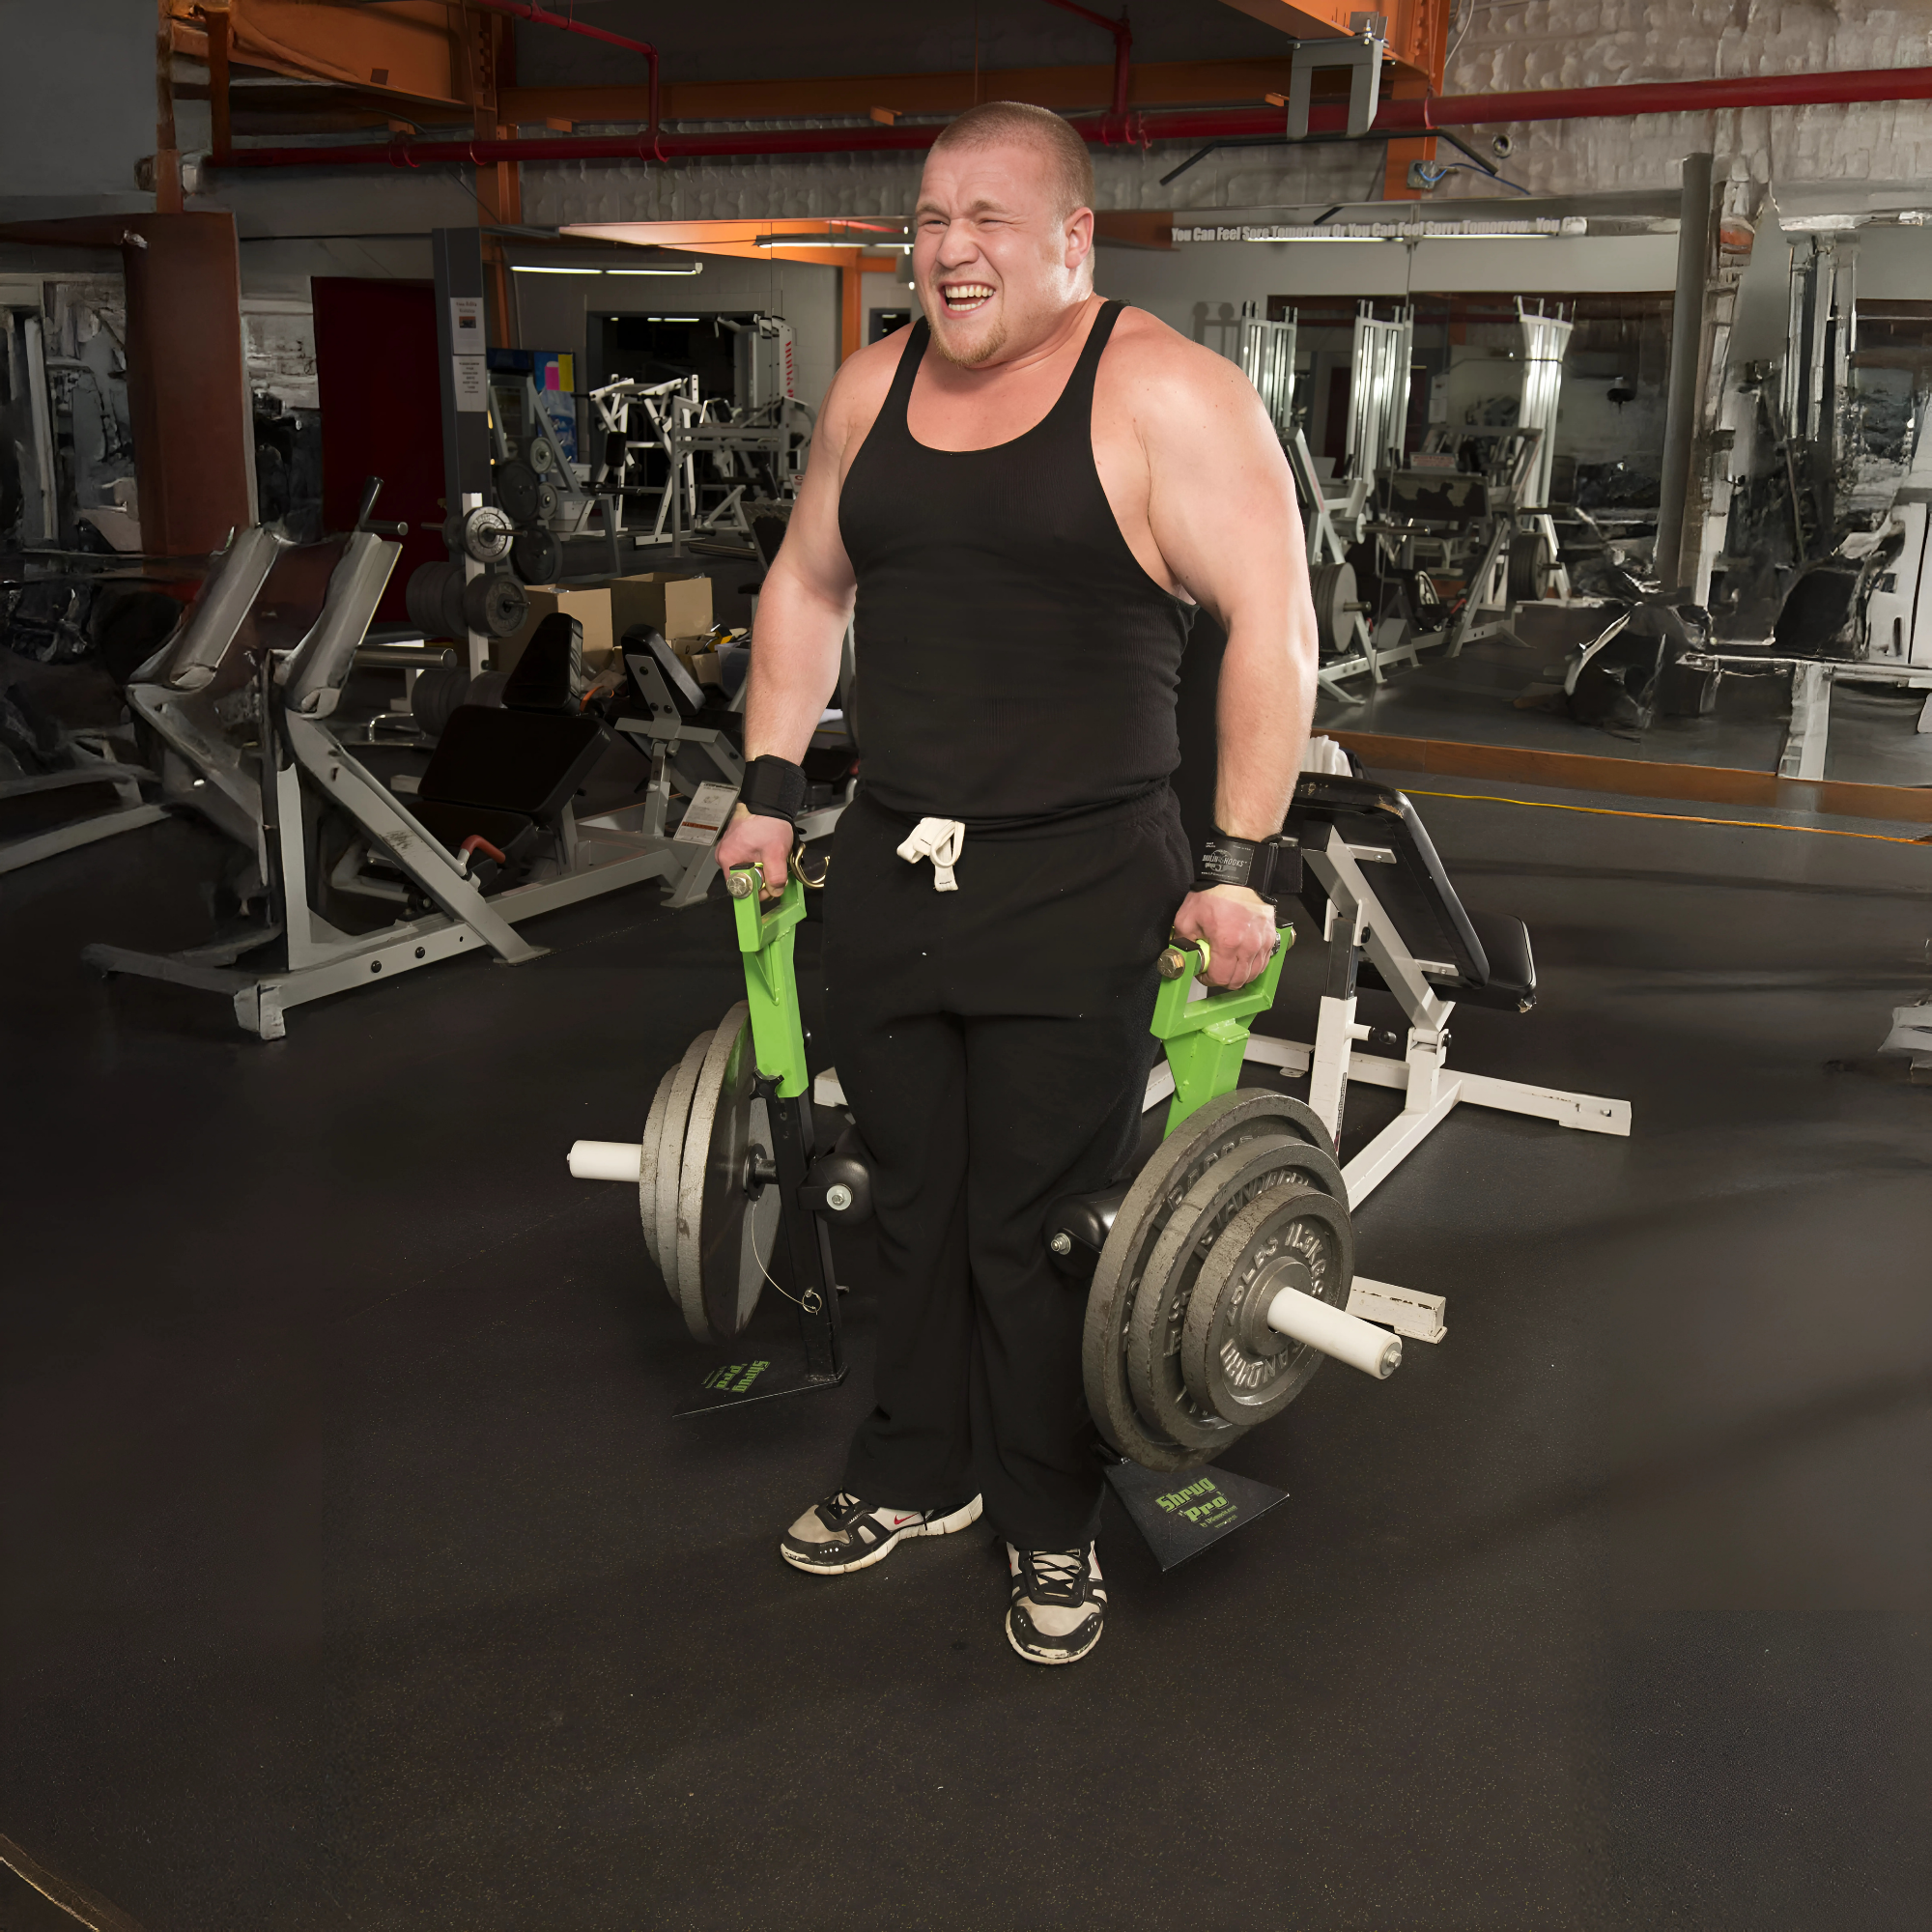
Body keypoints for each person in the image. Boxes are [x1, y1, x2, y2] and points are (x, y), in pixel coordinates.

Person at [714, 100, 1317, 1665]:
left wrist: (1238, 867)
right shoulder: (871, 388)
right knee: (901, 1193)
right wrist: (770, 789)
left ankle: (1050, 1512)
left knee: (1046, 1223)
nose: (951, 247)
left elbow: (1275, 630)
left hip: (1087, 876)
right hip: (894, 869)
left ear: (1073, 237)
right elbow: (804, 581)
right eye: (929, 217)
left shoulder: (1170, 394)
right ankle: (916, 1472)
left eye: (989, 217)